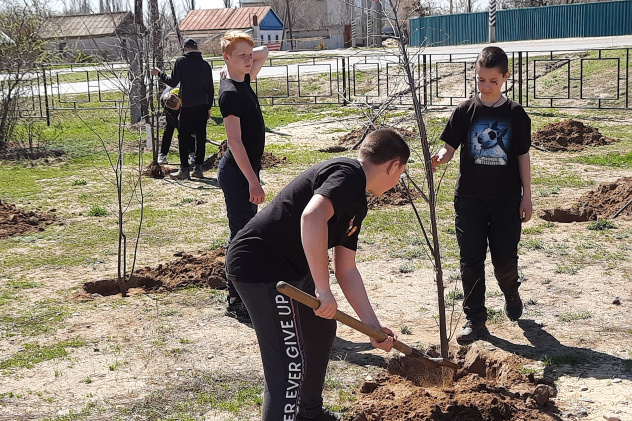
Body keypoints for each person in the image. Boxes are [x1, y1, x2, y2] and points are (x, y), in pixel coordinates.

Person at [225, 128, 408, 421]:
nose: (397, 181)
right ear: (393, 165)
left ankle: (308, 413)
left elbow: (346, 269)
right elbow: (311, 217)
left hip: (292, 269)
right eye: (401, 173)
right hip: (262, 268)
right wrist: (323, 290)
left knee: (320, 330)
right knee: (289, 365)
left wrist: (373, 328)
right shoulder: (347, 173)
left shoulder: (357, 202)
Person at [431, 46, 533, 344]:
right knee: (470, 259)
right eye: (480, 80)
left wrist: (526, 196)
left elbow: (522, 157)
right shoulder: (464, 111)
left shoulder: (516, 115)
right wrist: (441, 156)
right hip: (470, 200)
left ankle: (510, 289)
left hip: (506, 201)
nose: (486, 86)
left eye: (493, 81)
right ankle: (475, 320)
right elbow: (449, 148)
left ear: (505, 78)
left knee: (503, 259)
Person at [217, 30, 269, 323]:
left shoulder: (242, 78)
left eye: (249, 55)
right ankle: (235, 299)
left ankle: (242, 293)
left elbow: (265, 53)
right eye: (242, 56)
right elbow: (234, 142)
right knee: (241, 237)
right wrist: (253, 180)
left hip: (245, 171)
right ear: (226, 59)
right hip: (238, 174)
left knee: (244, 233)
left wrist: (243, 48)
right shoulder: (230, 93)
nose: (250, 60)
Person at [151, 38, 213, 180]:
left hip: (188, 105)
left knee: (183, 136)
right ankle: (198, 168)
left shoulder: (181, 61)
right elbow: (210, 88)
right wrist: (209, 107)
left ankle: (184, 169)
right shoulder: (205, 65)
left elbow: (172, 81)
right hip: (203, 105)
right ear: (196, 48)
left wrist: (159, 73)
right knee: (200, 136)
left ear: (185, 48)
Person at [157, 86, 183, 165]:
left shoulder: (184, 94)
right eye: (174, 108)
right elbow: (171, 119)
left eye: (176, 107)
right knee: (169, 128)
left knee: (187, 128)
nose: (176, 109)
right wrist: (179, 128)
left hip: (184, 107)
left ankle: (191, 153)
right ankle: (162, 154)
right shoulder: (163, 101)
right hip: (170, 111)